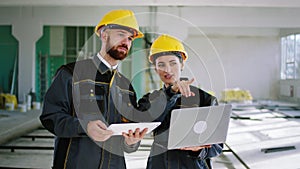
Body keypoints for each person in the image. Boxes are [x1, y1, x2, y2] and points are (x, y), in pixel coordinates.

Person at [40, 9, 148, 169]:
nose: (126, 42)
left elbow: (127, 138)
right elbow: (50, 117)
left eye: (130, 38)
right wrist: (84, 126)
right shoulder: (71, 74)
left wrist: (132, 142)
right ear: (104, 35)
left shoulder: (126, 87)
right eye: (120, 35)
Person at [141, 34, 223, 169]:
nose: (167, 70)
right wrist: (171, 93)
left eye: (173, 63)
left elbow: (217, 146)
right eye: (161, 65)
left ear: (182, 64)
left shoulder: (205, 100)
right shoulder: (150, 100)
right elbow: (147, 120)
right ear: (155, 69)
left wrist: (199, 149)